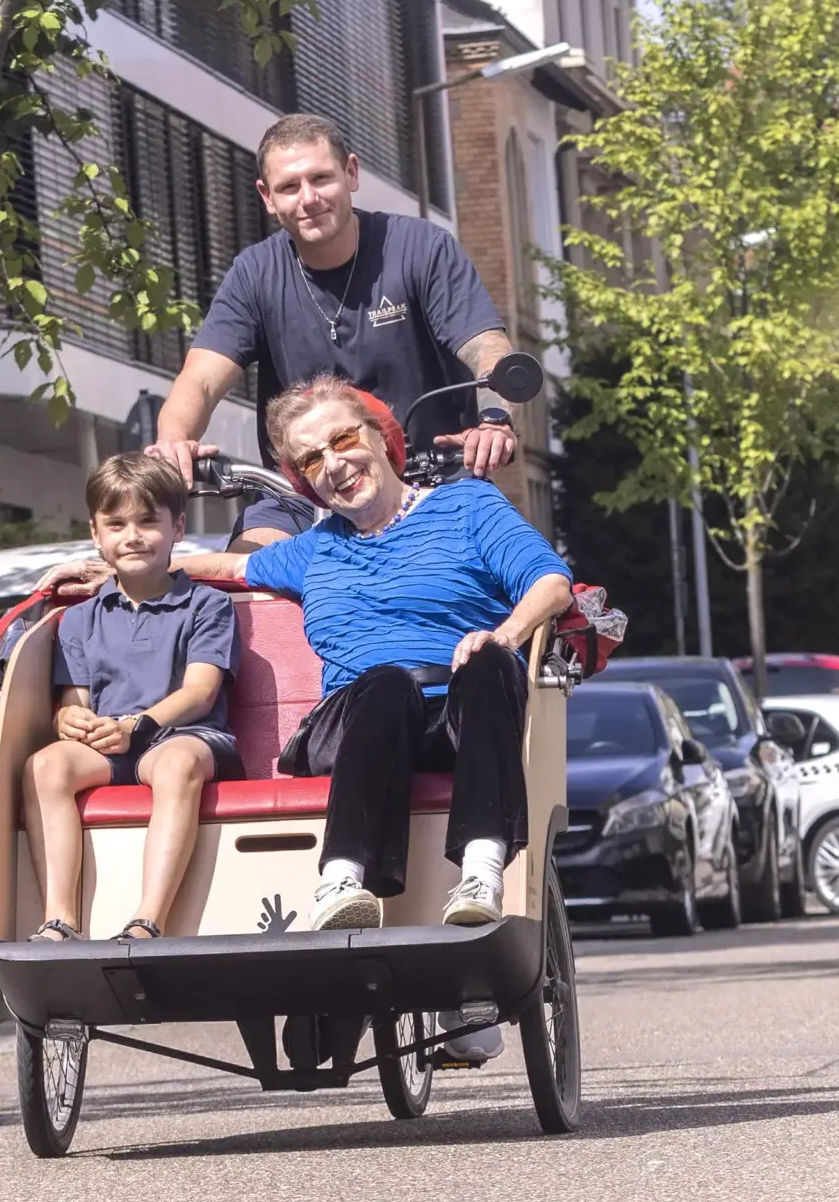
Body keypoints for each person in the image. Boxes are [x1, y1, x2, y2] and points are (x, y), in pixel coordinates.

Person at [52, 376, 574, 934]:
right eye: (312, 459)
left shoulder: (468, 505)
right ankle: (343, 879)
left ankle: (480, 871)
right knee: (387, 683)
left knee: (492, 663)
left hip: (461, 712)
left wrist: (505, 634)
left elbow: (551, 582)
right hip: (360, 718)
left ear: (380, 437)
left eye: (343, 440)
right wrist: (116, 570)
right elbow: (230, 568)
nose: (334, 464)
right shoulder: (316, 548)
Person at [147, 112, 523, 545]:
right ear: (267, 198)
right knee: (248, 575)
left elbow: (488, 350)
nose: (308, 198)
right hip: (306, 489)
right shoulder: (254, 273)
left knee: (479, 575)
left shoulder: (421, 248)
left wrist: (495, 420)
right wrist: (174, 441)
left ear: (351, 173)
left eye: (321, 179)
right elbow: (200, 380)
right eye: (289, 187)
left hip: (430, 478)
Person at [22, 456, 239, 942]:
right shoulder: (78, 620)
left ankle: (148, 920)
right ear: (96, 536)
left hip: (188, 738)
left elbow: (201, 693)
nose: (132, 536)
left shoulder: (208, 605)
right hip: (114, 744)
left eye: (148, 521)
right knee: (44, 766)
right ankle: (60, 919)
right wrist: (71, 722)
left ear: (177, 527)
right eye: (116, 524)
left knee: (174, 763)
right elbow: (74, 701)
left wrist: (136, 725)